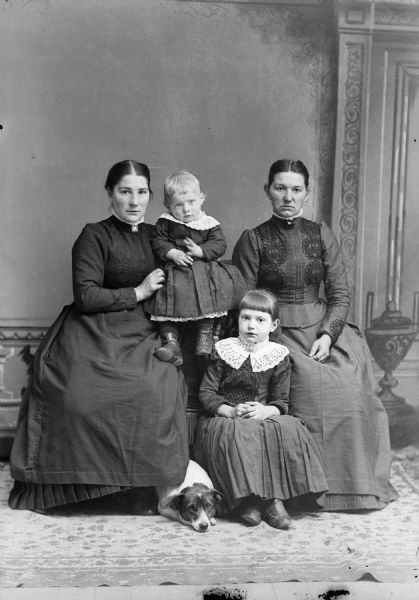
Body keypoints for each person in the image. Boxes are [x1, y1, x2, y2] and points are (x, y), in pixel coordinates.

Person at [8, 160, 189, 513]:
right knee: (78, 393)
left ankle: (136, 489)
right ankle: (80, 489)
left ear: (151, 196)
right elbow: (86, 296)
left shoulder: (158, 235)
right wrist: (137, 292)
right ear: (110, 193)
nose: (134, 201)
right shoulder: (94, 234)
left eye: (141, 193)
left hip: (144, 329)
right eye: (125, 192)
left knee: (156, 387)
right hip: (92, 328)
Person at [232, 158, 398, 511]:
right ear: (268, 192)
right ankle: (303, 491)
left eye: (296, 190)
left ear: (307, 193)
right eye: (280, 189)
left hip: (322, 328)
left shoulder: (320, 233)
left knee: (349, 390)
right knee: (303, 391)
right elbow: (244, 300)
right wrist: (265, 338)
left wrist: (328, 335)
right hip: (274, 331)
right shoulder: (254, 239)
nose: (288, 197)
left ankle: (352, 488)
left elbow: (339, 294)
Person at [193, 289, 328, 529]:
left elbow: (282, 400)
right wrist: (229, 410)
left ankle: (273, 501)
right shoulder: (224, 350)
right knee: (236, 433)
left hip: (263, 414)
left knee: (289, 428)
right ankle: (249, 501)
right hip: (227, 416)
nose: (251, 325)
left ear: (273, 324)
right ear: (238, 319)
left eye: (260, 320)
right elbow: (206, 393)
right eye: (246, 318)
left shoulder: (277, 355)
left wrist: (267, 411)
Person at [145, 170, 246, 366]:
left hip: (204, 272)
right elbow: (157, 241)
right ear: (168, 206)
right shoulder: (166, 223)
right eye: (178, 205)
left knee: (214, 297)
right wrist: (172, 253)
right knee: (166, 301)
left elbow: (219, 244)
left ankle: (206, 335)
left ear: (201, 199)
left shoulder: (208, 224)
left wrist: (201, 251)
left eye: (191, 202)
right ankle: (171, 342)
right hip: (177, 272)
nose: (186, 209)